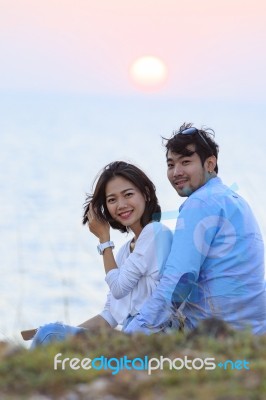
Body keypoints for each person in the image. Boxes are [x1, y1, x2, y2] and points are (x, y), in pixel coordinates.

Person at [124, 122, 266, 335]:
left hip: (212, 334)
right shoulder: (236, 201)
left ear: (210, 164)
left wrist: (133, 333)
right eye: (171, 164)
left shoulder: (200, 203)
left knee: (56, 333)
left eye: (186, 162)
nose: (176, 172)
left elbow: (178, 281)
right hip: (252, 330)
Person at [26, 161, 173, 347]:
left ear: (145, 193)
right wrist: (67, 335)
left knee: (49, 333)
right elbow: (109, 316)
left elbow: (119, 288)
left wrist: (104, 240)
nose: (121, 205)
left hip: (154, 337)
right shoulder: (124, 252)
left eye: (128, 194)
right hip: (130, 336)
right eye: (112, 200)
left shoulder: (156, 233)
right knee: (50, 335)